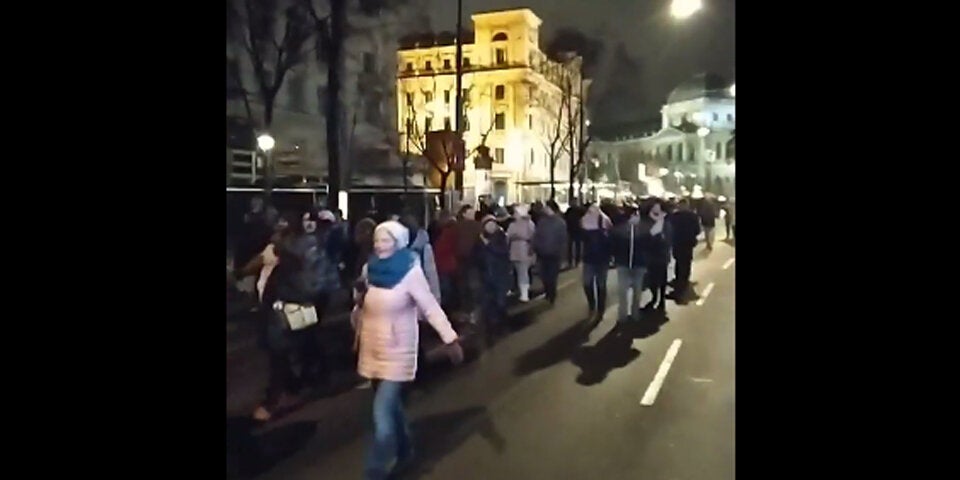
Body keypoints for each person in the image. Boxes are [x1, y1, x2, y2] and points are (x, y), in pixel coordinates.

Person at [354, 221, 463, 479]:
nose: (380, 245)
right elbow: (361, 306)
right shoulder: (370, 268)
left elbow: (430, 307)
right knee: (392, 408)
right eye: (378, 240)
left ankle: (374, 472)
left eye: (386, 241)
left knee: (381, 414)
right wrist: (357, 311)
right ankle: (405, 451)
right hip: (372, 349)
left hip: (397, 349)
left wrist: (450, 340)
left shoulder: (410, 271)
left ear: (399, 242)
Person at [611, 205, 649, 322]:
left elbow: (650, 245)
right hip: (626, 264)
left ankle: (632, 314)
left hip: (636, 264)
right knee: (626, 292)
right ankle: (625, 315)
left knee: (634, 291)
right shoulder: (621, 230)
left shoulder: (643, 230)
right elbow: (614, 245)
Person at [478, 214, 511, 340]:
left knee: (500, 301)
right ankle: (492, 327)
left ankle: (501, 325)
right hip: (487, 275)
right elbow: (478, 256)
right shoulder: (481, 239)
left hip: (500, 274)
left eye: (492, 224)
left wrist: (488, 245)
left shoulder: (501, 237)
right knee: (488, 303)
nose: (490, 227)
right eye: (487, 224)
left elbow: (503, 252)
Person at [532, 200, 568, 305]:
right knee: (544, 274)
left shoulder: (560, 222)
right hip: (543, 252)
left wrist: (562, 252)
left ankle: (551, 294)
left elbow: (563, 239)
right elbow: (537, 235)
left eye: (547, 207)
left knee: (551, 275)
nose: (544, 209)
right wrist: (535, 246)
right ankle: (548, 291)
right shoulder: (542, 221)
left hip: (554, 253)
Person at [580, 204, 612, 322]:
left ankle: (596, 307)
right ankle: (596, 306)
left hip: (595, 257)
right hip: (598, 257)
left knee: (595, 283)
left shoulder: (602, 220)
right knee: (595, 283)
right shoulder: (603, 219)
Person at [643, 200, 672, 312]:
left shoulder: (665, 223)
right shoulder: (647, 222)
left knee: (662, 278)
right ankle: (655, 297)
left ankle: (662, 300)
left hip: (661, 255)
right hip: (650, 255)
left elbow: (669, 238)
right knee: (651, 279)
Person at [669, 198, 701, 299]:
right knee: (686, 262)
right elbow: (697, 230)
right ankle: (684, 280)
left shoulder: (674, 216)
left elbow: (670, 228)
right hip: (688, 242)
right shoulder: (693, 216)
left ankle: (679, 280)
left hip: (677, 242)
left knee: (679, 261)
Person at [506, 204, 536, 302]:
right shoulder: (515, 224)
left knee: (522, 271)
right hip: (517, 250)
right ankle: (518, 290)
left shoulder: (528, 224)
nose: (514, 214)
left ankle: (524, 293)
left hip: (522, 250)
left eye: (515, 212)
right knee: (517, 271)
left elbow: (533, 237)